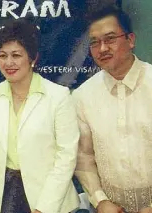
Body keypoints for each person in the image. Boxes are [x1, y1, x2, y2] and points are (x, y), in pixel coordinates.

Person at [0, 20, 80, 213]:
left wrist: (44, 209)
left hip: (50, 199)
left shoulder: (58, 96)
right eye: (3, 55)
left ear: (33, 58)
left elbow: (66, 157)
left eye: (16, 55)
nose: (8, 63)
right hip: (3, 197)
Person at [73, 5, 152, 213]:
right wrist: (99, 200)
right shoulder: (83, 96)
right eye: (94, 42)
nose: (102, 49)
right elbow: (84, 157)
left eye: (110, 39)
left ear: (131, 40)